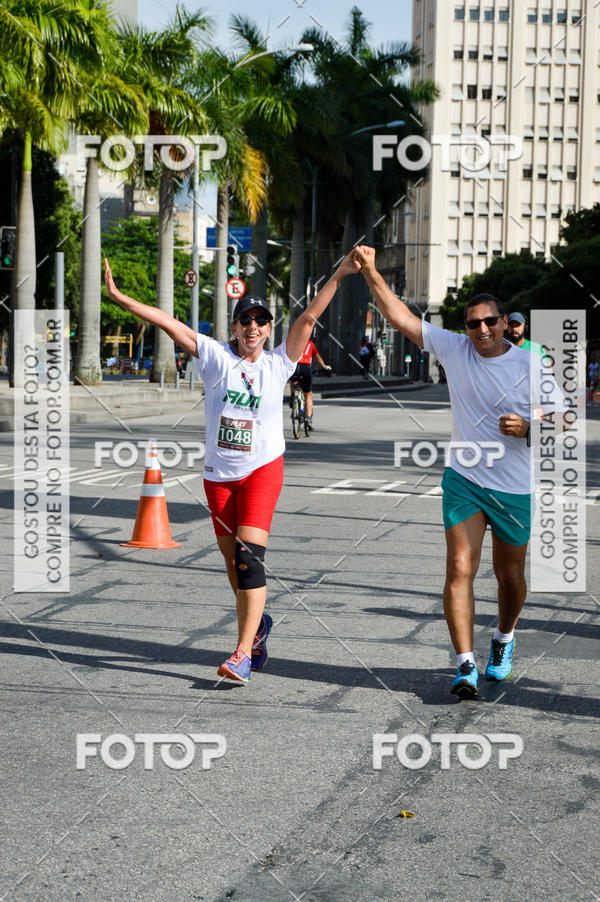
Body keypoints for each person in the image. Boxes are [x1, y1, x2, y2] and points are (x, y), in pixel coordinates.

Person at [103, 254, 359, 683]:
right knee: (232, 565)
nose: (254, 328)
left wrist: (339, 274)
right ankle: (258, 628)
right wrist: (117, 296)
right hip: (219, 475)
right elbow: (168, 323)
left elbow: (310, 315)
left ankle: (241, 653)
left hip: (262, 469)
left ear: (268, 329)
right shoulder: (215, 357)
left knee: (248, 558)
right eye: (246, 321)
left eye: (261, 321)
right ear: (235, 327)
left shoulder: (280, 364)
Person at [353, 245, 561, 699]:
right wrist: (369, 270)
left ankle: (504, 638)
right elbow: (400, 317)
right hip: (465, 479)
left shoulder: (530, 364)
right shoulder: (456, 348)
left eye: (490, 321)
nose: (481, 329)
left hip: (514, 487)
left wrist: (530, 426)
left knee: (510, 578)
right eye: (473, 323)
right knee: (460, 566)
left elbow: (563, 418)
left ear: (506, 324)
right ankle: (465, 664)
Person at [289, 333, 331, 431]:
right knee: (308, 395)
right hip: (305, 368)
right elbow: (317, 357)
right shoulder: (310, 344)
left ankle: (292, 396)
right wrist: (324, 367)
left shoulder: (294, 342)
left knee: (293, 380)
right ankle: (308, 418)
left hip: (294, 366)